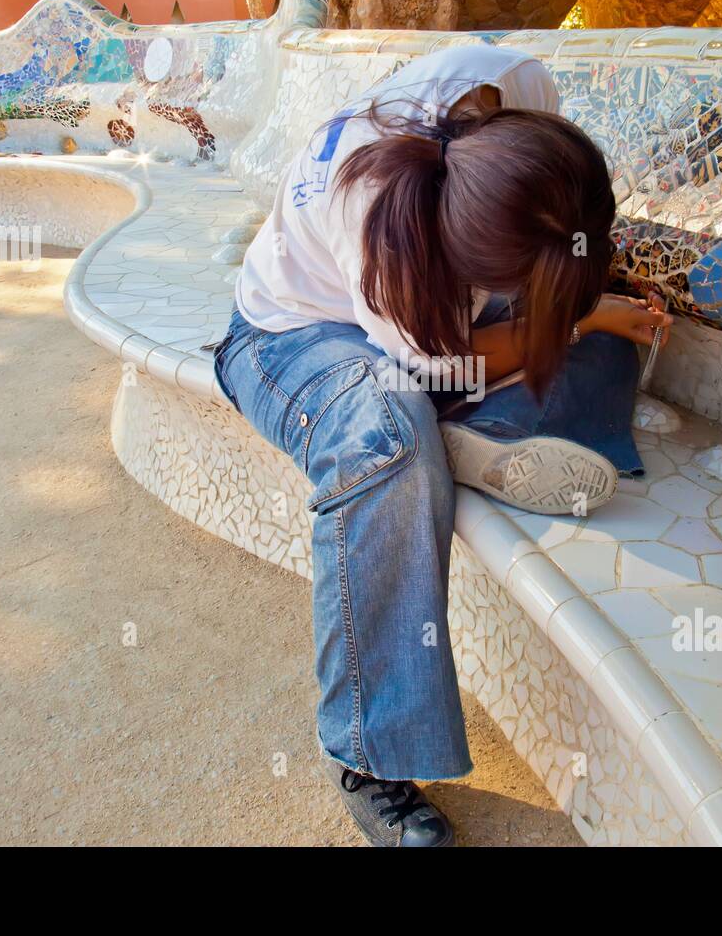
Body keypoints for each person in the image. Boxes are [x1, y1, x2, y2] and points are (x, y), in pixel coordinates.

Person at [213, 45, 671, 846]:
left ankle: (474, 434)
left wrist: (593, 298)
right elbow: (441, 359)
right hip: (289, 335)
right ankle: (369, 752)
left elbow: (549, 243)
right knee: (387, 436)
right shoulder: (388, 236)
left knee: (600, 339)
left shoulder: (517, 81)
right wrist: (576, 315)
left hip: (426, 332)